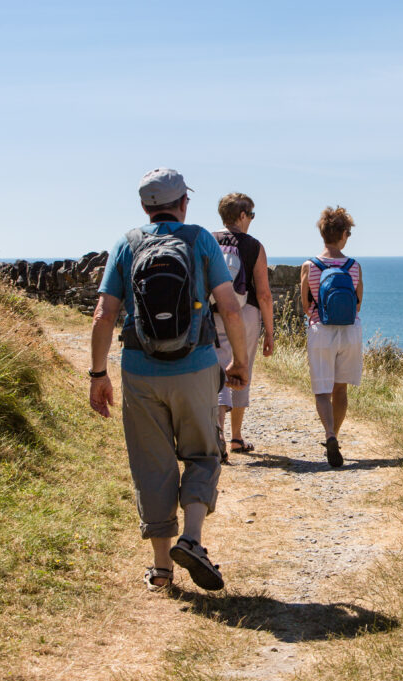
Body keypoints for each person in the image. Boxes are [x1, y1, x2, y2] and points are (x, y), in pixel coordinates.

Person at [89, 167, 249, 592]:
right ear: (183, 204)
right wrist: (239, 361)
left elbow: (104, 314)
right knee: (203, 453)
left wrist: (98, 374)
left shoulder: (127, 244)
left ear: (145, 207)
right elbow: (230, 308)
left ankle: (162, 570)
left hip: (141, 370)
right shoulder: (200, 241)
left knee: (152, 465)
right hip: (195, 365)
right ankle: (192, 539)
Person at [211, 192, 275, 461]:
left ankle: (218, 435)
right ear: (241, 215)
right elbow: (263, 294)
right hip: (246, 312)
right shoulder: (254, 246)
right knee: (242, 369)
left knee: (216, 370)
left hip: (215, 312)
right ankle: (236, 437)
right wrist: (270, 332)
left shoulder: (208, 240)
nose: (252, 219)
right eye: (251, 214)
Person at [299, 206, 363, 467]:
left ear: (323, 233)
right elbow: (358, 304)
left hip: (321, 330)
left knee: (322, 391)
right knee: (341, 388)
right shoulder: (354, 266)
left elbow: (304, 304)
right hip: (350, 332)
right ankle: (334, 436)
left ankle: (329, 434)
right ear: (343, 234)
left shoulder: (310, 266)